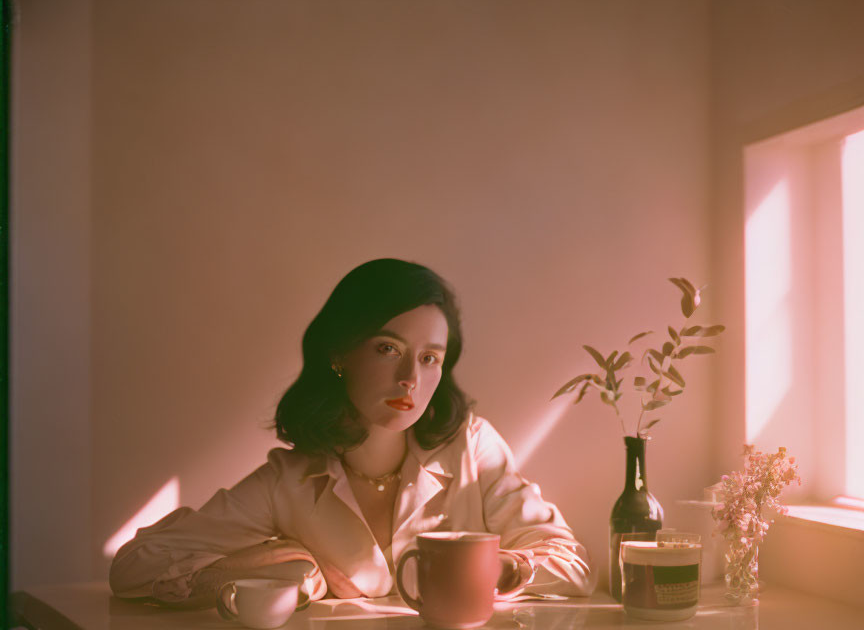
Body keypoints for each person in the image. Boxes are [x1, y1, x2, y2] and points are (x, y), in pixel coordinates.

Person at [110, 258, 597, 607]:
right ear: (339, 354)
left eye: (430, 358)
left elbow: (574, 565)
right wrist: (273, 563)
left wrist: (500, 567)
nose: (410, 377)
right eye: (388, 348)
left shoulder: (473, 448)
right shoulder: (290, 481)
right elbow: (132, 567)